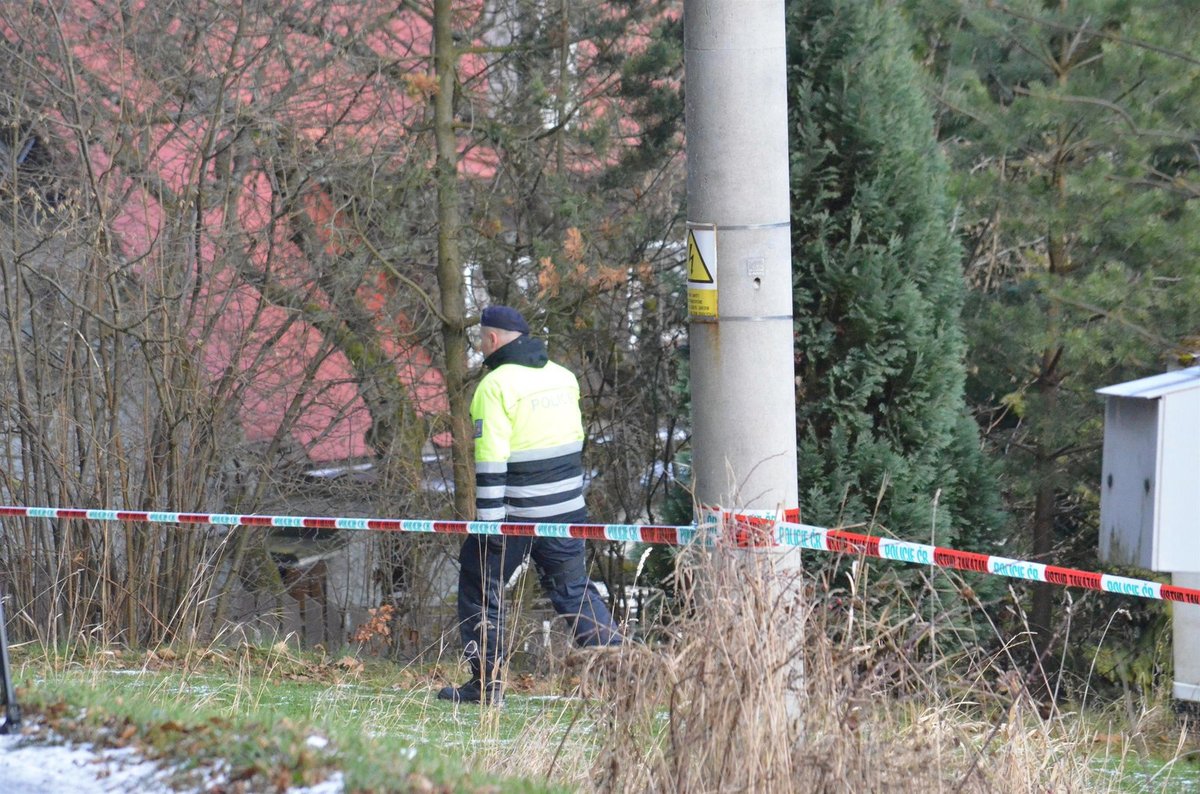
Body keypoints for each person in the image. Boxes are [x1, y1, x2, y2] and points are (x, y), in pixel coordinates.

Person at [438, 305, 623, 704]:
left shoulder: (495, 386)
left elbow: (490, 460)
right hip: (567, 508)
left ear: (491, 340)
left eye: (480, 341)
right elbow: (574, 441)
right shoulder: (563, 376)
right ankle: (622, 672)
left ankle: (486, 685)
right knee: (574, 591)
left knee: (479, 586)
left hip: (517, 515)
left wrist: (489, 527)